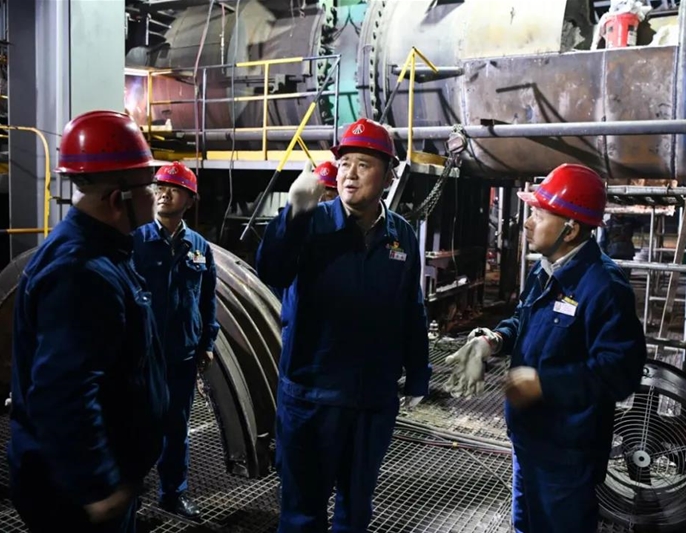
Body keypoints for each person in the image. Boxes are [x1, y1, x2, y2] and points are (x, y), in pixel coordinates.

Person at [445, 163, 647, 533]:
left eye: (539, 214)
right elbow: (522, 319)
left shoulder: (604, 287)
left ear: (570, 229)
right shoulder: (546, 269)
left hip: (568, 453)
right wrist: (492, 341)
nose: (527, 222)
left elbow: (619, 373)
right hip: (528, 439)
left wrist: (544, 384)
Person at [256, 117, 430, 533]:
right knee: (302, 513)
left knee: (356, 510)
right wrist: (293, 215)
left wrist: (418, 375)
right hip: (311, 394)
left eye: (363, 165)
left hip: (372, 400)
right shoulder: (311, 222)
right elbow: (272, 270)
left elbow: (411, 308)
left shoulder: (402, 236)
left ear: (388, 176)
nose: (349, 174)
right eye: (344, 163)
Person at [8, 110, 169, 532]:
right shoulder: (81, 274)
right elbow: (64, 392)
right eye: (149, 184)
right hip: (76, 497)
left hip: (97, 477)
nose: (156, 194)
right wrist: (98, 487)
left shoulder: (104, 251)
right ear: (118, 200)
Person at [133, 161, 219, 519]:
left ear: (190, 199)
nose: (163, 193)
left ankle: (173, 494)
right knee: (135, 427)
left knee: (177, 429)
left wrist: (207, 343)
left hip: (182, 355)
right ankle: (130, 493)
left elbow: (207, 299)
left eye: (173, 188)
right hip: (140, 357)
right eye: (160, 187)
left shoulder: (198, 246)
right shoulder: (136, 240)